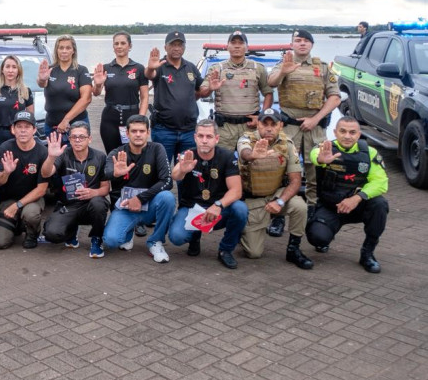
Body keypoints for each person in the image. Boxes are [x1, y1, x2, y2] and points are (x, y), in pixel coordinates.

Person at [267, 29, 341, 209]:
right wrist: (283, 72)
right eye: (298, 40)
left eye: (306, 41)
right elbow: (271, 82)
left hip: (315, 129)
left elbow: (335, 97)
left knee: (315, 173)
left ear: (312, 45)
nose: (302, 43)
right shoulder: (283, 64)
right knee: (281, 172)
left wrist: (315, 119)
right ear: (292, 44)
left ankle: (313, 210)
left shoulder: (323, 67)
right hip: (289, 129)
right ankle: (279, 212)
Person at [306, 117, 389, 273]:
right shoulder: (326, 148)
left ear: (359, 134)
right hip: (331, 207)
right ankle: (327, 234)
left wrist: (357, 198)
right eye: (342, 131)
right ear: (335, 132)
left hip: (357, 206)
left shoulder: (370, 153)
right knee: (317, 237)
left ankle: (367, 253)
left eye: (352, 132)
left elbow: (381, 182)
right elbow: (315, 155)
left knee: (380, 204)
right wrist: (321, 159)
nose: (347, 136)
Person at [237, 109, 313, 269]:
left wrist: (280, 201)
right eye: (265, 124)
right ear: (258, 124)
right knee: (254, 253)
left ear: (281, 125)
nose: (269, 128)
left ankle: (293, 249)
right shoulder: (246, 139)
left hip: (276, 195)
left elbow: (295, 181)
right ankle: (241, 229)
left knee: (300, 206)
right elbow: (244, 153)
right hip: (253, 199)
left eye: (273, 124)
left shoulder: (288, 144)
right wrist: (253, 155)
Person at [168, 120, 248, 269]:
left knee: (240, 209)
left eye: (209, 136)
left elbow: (236, 191)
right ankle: (194, 237)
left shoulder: (228, 156)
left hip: (218, 209)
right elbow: (175, 175)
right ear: (195, 137)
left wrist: (218, 205)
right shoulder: (188, 154)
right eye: (201, 136)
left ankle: (225, 250)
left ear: (216, 139)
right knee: (176, 237)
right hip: (192, 208)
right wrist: (183, 170)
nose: (204, 140)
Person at [101, 114, 175, 261]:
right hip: (126, 206)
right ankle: (128, 234)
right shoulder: (117, 153)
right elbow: (106, 173)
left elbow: (167, 181)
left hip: (150, 203)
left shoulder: (157, 149)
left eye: (142, 131)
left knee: (168, 198)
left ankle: (156, 241)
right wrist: (115, 173)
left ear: (148, 132)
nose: (138, 134)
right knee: (111, 241)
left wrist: (140, 198)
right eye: (134, 131)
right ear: (127, 133)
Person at [41, 122, 110, 258]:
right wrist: (51, 157)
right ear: (70, 139)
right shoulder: (63, 154)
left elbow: (105, 188)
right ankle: (71, 231)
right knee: (51, 234)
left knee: (99, 204)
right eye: (74, 137)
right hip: (69, 204)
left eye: (82, 137)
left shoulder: (100, 157)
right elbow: (45, 173)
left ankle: (96, 238)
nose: (78, 140)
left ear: (89, 139)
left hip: (91, 204)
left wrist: (94, 192)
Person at [201, 30, 273, 150]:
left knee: (252, 159)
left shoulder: (258, 68)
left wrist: (261, 118)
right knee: (223, 160)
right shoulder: (217, 69)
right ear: (227, 46)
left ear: (247, 47)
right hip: (224, 129)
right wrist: (210, 88)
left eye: (241, 43)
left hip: (250, 127)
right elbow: (202, 92)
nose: (237, 46)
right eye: (233, 42)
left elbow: (268, 93)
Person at [0, 111, 50, 249]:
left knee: (31, 215)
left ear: (34, 130)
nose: (23, 130)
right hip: (10, 199)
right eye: (19, 127)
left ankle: (32, 234)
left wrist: (17, 206)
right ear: (13, 129)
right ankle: (16, 225)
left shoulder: (43, 152)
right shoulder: (5, 148)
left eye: (27, 127)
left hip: (33, 199)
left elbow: (41, 190)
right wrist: (6, 172)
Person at [145, 31, 206, 163]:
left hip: (189, 131)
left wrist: (211, 88)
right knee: (162, 168)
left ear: (184, 47)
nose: (177, 48)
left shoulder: (191, 67)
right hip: (163, 130)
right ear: (165, 47)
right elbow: (149, 75)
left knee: (186, 169)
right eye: (173, 45)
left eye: (180, 45)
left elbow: (201, 91)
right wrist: (150, 68)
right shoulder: (159, 66)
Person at [92, 32, 149, 154]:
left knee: (133, 154)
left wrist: (141, 118)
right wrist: (98, 84)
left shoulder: (139, 68)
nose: (119, 46)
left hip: (132, 117)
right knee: (112, 155)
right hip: (109, 119)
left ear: (130, 46)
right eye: (116, 44)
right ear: (113, 47)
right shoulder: (106, 68)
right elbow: (96, 93)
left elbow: (144, 97)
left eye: (123, 43)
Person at [37, 35, 93, 143]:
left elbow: (86, 99)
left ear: (73, 51)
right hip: (51, 125)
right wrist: (42, 79)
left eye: (68, 48)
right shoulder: (50, 70)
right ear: (56, 50)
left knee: (77, 153)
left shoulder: (81, 70)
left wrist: (66, 120)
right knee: (54, 153)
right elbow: (41, 84)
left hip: (76, 126)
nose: (64, 51)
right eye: (61, 48)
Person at [0, 55, 35, 148]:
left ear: (18, 70)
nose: (10, 70)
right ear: (2, 70)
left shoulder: (25, 90)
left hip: (19, 135)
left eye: (14, 67)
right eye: (7, 67)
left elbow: (31, 117)